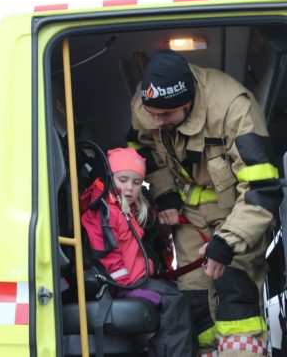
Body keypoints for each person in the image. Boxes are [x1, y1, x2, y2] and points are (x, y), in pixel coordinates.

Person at [127, 49, 283, 357]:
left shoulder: (234, 108)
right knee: (194, 299)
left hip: (237, 212)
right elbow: (140, 147)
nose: (156, 121)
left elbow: (263, 187)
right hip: (189, 216)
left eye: (166, 116)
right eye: (152, 113)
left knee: (235, 290)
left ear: (188, 103)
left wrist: (227, 242)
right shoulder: (145, 105)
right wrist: (165, 193)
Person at [80, 147, 196, 357]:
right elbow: (106, 254)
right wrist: (125, 287)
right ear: (109, 177)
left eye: (136, 182)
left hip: (136, 280)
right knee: (174, 303)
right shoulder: (103, 211)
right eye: (123, 179)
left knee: (179, 297)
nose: (129, 188)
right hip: (122, 285)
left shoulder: (125, 210)